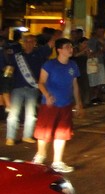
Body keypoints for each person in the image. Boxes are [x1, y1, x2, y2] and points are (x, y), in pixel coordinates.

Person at [33, 38, 84, 172]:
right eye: (67, 47)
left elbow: (75, 85)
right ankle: (40, 156)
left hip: (66, 104)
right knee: (44, 132)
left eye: (71, 47)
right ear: (59, 50)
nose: (71, 49)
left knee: (62, 133)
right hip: (50, 105)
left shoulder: (73, 65)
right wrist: (47, 95)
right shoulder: (49, 64)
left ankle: (57, 161)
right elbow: (41, 82)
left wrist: (78, 103)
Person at [5, 34, 50, 146]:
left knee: (31, 114)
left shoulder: (39, 55)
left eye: (31, 41)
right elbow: (8, 72)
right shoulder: (17, 56)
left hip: (32, 88)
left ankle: (27, 136)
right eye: (26, 41)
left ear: (35, 43)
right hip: (17, 88)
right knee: (13, 114)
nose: (29, 43)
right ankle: (10, 137)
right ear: (23, 43)